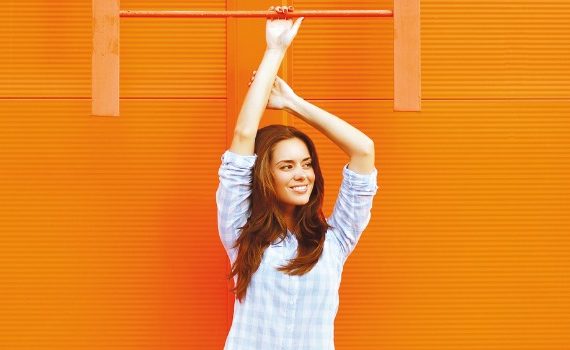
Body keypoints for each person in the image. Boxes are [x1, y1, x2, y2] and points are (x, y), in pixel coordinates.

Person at [216, 5, 379, 350]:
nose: (302, 174)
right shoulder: (241, 234)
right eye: (287, 166)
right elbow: (245, 134)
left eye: (306, 164)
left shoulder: (335, 241)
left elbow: (363, 149)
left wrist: (293, 102)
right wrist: (275, 50)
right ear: (265, 176)